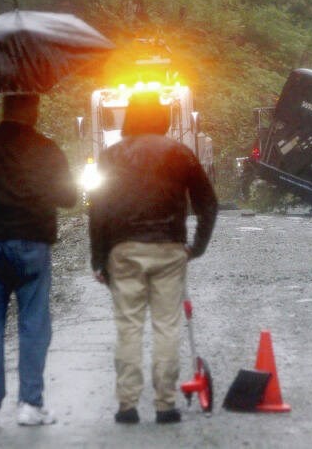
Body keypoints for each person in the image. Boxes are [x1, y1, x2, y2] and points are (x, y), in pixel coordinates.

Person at [88, 90, 218, 424]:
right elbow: (207, 203)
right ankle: (165, 404)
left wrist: (99, 260)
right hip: (169, 249)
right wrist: (197, 246)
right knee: (166, 326)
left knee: (128, 327)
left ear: (130, 118)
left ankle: (127, 405)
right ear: (163, 118)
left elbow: (99, 212)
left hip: (124, 250)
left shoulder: (111, 155)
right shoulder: (180, 153)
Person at [0, 93, 78, 427]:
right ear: (33, 112)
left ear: (3, 111)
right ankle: (29, 405)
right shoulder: (45, 147)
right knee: (33, 324)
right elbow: (68, 197)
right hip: (32, 246)